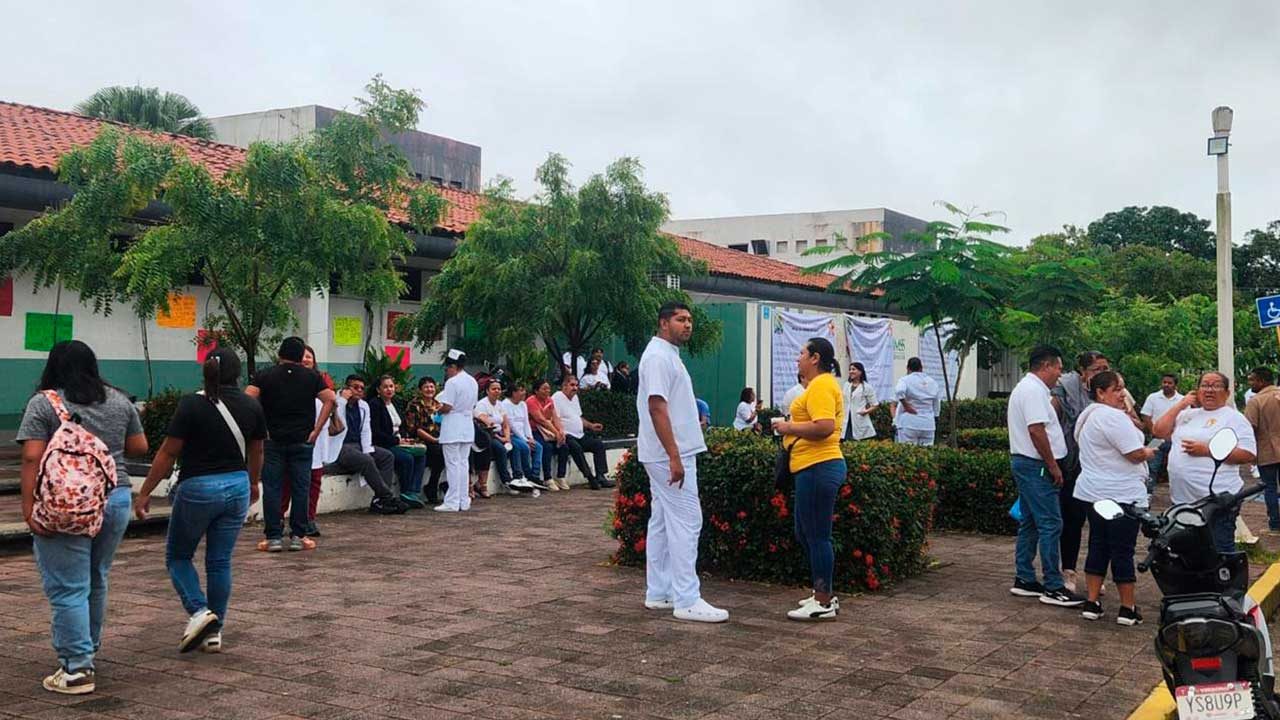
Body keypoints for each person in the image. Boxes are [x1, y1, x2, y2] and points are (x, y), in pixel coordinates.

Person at [18, 340, 148, 695]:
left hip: (65, 502)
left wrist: (28, 507)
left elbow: (31, 456)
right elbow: (139, 447)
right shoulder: (118, 400)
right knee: (96, 577)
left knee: (68, 587)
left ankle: (76, 668)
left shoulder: (44, 402)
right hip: (114, 497)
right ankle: (87, 650)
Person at [135, 348, 267, 654]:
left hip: (198, 488)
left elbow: (169, 452)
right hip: (237, 486)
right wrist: (253, 482)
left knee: (178, 556)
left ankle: (199, 611)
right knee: (219, 561)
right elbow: (257, 450)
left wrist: (145, 492)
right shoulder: (251, 405)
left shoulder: (191, 404)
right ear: (238, 374)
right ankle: (214, 632)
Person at [637, 302, 728, 623]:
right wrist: (674, 455)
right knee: (687, 522)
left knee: (663, 522)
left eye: (689, 320)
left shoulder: (666, 355)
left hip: (666, 452)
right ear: (664, 323)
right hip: (669, 454)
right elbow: (656, 407)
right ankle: (687, 599)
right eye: (680, 319)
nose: (688, 325)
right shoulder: (658, 357)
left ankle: (659, 592)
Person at [1072, 371, 1155, 626]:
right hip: (1121, 495)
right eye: (1117, 389)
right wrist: (1150, 452)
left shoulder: (1088, 415)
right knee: (1122, 549)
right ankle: (1127, 608)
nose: (1122, 394)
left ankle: (1092, 602)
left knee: (1098, 544)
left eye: (1123, 388)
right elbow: (1134, 454)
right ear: (1100, 392)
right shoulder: (1112, 418)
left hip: (1092, 492)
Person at [1007, 345, 1085, 608]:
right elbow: (1037, 430)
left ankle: (1025, 578)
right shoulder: (1032, 391)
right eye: (1058, 369)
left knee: (1030, 521)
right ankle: (1053, 585)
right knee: (1051, 523)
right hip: (1036, 465)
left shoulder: (1033, 389)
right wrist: (1053, 465)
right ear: (1046, 366)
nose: (1060, 375)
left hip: (1030, 464)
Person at [775, 338, 846, 621]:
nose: (798, 358)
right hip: (810, 467)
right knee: (805, 533)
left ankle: (823, 601)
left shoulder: (821, 386)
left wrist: (788, 426)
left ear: (815, 358)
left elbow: (824, 426)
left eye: (802, 353)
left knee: (817, 535)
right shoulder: (819, 385)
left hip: (819, 466)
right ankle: (822, 592)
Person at [245, 337, 336, 552]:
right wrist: (316, 430)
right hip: (303, 440)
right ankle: (298, 536)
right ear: (300, 356)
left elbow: (247, 398)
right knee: (301, 488)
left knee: (272, 488)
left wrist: (261, 426)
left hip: (273, 440)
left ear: (280, 355)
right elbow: (330, 399)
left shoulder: (265, 375)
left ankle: (273, 538)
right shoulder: (312, 377)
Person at [1153, 371, 1258, 553]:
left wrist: (1208, 450)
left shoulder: (1234, 418)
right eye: (1205, 385)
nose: (1209, 390)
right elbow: (1158, 431)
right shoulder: (1187, 415)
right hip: (1183, 501)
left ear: (1227, 392)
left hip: (1216, 501)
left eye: (1216, 386)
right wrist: (1181, 404)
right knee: (1186, 552)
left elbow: (1248, 454)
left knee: (1218, 550)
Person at [1050, 351, 1110, 593]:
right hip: (1073, 464)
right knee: (1073, 521)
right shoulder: (1065, 389)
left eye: (1105, 368)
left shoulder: (1113, 390)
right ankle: (1069, 570)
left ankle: (1096, 573)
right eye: (1096, 369)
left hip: (1102, 467)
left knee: (1100, 523)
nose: (1102, 373)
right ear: (1083, 372)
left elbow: (1133, 420)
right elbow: (1050, 421)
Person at [323, 375, 405, 515]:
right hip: (340, 446)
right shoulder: (337, 402)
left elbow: (366, 431)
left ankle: (378, 501)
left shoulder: (363, 406)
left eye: (362, 388)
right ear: (347, 388)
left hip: (358, 445)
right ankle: (386, 497)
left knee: (387, 456)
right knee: (366, 460)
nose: (359, 391)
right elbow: (338, 422)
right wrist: (343, 400)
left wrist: (367, 450)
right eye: (355, 387)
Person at [285, 345, 335, 538]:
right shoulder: (287, 381)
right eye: (302, 356)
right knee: (288, 482)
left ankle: (308, 519)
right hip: (293, 438)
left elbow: (330, 405)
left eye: (309, 357)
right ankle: (280, 518)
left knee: (313, 482)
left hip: (317, 440)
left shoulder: (320, 382)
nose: (306, 360)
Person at [367, 375, 427, 509]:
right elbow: (375, 432)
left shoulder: (396, 403)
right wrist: (396, 440)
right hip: (384, 443)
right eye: (385, 387)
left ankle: (413, 491)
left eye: (391, 386)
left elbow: (402, 426)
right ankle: (405, 491)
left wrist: (405, 438)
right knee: (407, 458)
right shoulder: (375, 405)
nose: (389, 389)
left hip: (399, 441)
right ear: (378, 389)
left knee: (421, 455)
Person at [552, 376, 615, 490]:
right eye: (572, 385)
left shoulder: (575, 398)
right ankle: (590, 477)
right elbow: (555, 418)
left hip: (580, 434)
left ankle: (600, 476)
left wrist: (591, 425)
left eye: (576, 385)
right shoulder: (557, 397)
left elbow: (578, 417)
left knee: (598, 445)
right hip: (566, 434)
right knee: (576, 448)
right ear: (564, 386)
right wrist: (560, 432)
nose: (575, 388)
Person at [436, 349, 479, 512]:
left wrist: (437, 410)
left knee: (453, 465)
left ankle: (452, 501)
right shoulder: (472, 381)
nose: (447, 371)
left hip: (453, 426)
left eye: (447, 368)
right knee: (463, 464)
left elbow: (447, 406)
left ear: (453, 366)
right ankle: (463, 500)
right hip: (467, 426)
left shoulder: (452, 382)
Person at [1245, 367, 1280, 533]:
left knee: (1269, 488)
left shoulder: (1256, 401)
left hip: (1266, 450)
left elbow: (1249, 429)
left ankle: (1275, 525)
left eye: (1252, 380)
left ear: (1262, 381)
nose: (1250, 383)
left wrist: (1250, 453)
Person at [473, 379, 521, 495]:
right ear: (487, 391)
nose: (497, 391)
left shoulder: (500, 404)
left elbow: (505, 424)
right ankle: (506, 481)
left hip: (501, 435)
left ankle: (518, 478)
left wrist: (507, 437)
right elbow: (487, 423)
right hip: (489, 435)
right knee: (501, 449)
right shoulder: (482, 405)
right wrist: (500, 439)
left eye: (499, 389)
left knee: (516, 447)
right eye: (494, 389)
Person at [403, 377, 446, 505]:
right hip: (420, 440)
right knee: (438, 452)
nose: (429, 389)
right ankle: (432, 487)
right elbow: (414, 429)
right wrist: (434, 440)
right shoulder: (414, 405)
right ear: (420, 389)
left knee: (446, 451)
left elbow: (442, 423)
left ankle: (434, 484)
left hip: (438, 439)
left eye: (431, 386)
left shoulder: (438, 405)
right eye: (426, 387)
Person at [1139, 373, 1182, 491]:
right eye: (1164, 382)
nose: (1166, 385)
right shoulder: (1152, 397)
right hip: (1156, 439)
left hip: (1175, 439)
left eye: (1170, 383)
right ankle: (1148, 492)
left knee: (1177, 467)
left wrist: (1172, 435)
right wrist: (1155, 432)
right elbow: (1146, 416)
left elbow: (1185, 420)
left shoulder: (1182, 400)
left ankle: (1178, 493)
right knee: (1151, 466)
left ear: (1175, 385)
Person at [503, 384, 546, 492]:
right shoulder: (506, 404)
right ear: (513, 393)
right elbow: (511, 425)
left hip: (524, 435)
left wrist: (530, 438)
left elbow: (526, 422)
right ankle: (525, 474)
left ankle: (534, 476)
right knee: (524, 447)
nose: (524, 393)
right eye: (521, 390)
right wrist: (525, 440)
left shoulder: (523, 404)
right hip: (513, 435)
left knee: (538, 447)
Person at [893, 357, 940, 446]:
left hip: (909, 422)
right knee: (927, 452)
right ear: (921, 368)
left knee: (908, 451)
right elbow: (936, 404)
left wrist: (906, 406)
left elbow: (899, 391)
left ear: (908, 368)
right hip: (928, 424)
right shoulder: (932, 382)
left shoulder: (905, 380)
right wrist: (935, 418)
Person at [526, 380, 561, 490]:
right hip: (534, 431)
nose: (547, 391)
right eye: (544, 389)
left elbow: (555, 417)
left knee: (564, 446)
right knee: (546, 447)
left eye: (548, 388)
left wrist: (560, 432)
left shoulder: (550, 400)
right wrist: (556, 432)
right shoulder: (531, 401)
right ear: (536, 391)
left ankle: (561, 476)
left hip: (548, 431)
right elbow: (541, 420)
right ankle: (547, 478)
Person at [843, 361, 878, 440]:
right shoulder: (846, 385)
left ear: (860, 372)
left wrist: (865, 411)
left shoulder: (866, 387)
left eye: (853, 369)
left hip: (859, 418)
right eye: (850, 369)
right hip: (846, 419)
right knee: (845, 441)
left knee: (858, 441)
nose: (851, 371)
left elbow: (875, 405)